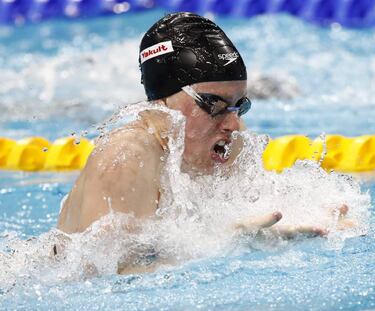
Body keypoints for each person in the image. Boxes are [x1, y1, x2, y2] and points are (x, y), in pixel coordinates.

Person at [56, 12, 350, 273]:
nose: (233, 124)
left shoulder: (226, 143)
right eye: (213, 104)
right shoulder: (126, 157)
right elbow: (107, 279)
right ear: (163, 100)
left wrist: (313, 219)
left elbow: (253, 213)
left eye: (239, 106)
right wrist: (226, 244)